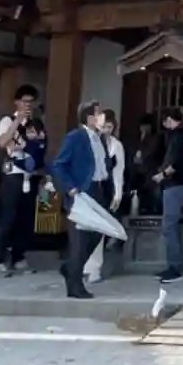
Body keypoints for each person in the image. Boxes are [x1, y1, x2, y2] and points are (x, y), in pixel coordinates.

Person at [49, 100, 110, 300]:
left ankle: (70, 267)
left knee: (98, 233)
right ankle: (74, 285)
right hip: (82, 191)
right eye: (99, 114)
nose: (102, 117)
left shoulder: (99, 138)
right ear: (89, 117)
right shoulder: (75, 137)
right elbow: (58, 164)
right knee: (80, 239)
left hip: (99, 189)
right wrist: (70, 187)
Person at [0, 84, 41, 276]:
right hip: (13, 173)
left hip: (30, 173)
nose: (27, 105)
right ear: (16, 102)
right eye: (24, 101)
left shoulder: (35, 124)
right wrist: (17, 121)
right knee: (8, 218)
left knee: (26, 219)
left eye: (31, 102)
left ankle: (19, 257)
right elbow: (2, 143)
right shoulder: (7, 121)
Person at [84, 108, 126, 285]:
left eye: (110, 127)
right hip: (88, 188)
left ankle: (94, 267)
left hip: (106, 190)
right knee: (85, 228)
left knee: (99, 229)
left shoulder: (116, 146)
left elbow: (119, 171)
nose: (106, 130)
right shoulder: (90, 142)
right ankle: (83, 265)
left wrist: (118, 193)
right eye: (104, 126)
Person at [152, 106, 183, 285]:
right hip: (181, 186)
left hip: (175, 186)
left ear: (168, 120)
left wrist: (161, 175)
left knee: (169, 226)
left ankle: (175, 268)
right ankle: (177, 263)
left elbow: (175, 163)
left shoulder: (178, 137)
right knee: (176, 226)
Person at [133, 113, 166, 215]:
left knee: (154, 194)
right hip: (141, 172)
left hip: (153, 170)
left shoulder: (157, 138)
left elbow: (151, 152)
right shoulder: (138, 138)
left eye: (145, 126)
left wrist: (143, 141)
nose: (142, 129)